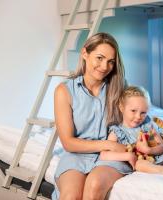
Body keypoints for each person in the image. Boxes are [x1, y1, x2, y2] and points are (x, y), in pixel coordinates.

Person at [53, 32, 127, 200]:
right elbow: (68, 143)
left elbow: (134, 121)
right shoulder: (64, 91)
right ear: (85, 53)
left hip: (111, 157)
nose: (104, 66)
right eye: (99, 58)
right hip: (77, 156)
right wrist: (107, 144)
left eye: (110, 62)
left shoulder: (120, 88)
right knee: (70, 196)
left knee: (94, 187)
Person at [99, 86, 163, 172]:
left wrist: (149, 150)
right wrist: (128, 156)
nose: (138, 117)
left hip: (156, 157)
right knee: (140, 164)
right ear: (122, 108)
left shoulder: (147, 125)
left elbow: (162, 147)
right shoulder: (117, 132)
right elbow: (103, 155)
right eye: (133, 111)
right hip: (142, 163)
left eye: (143, 113)